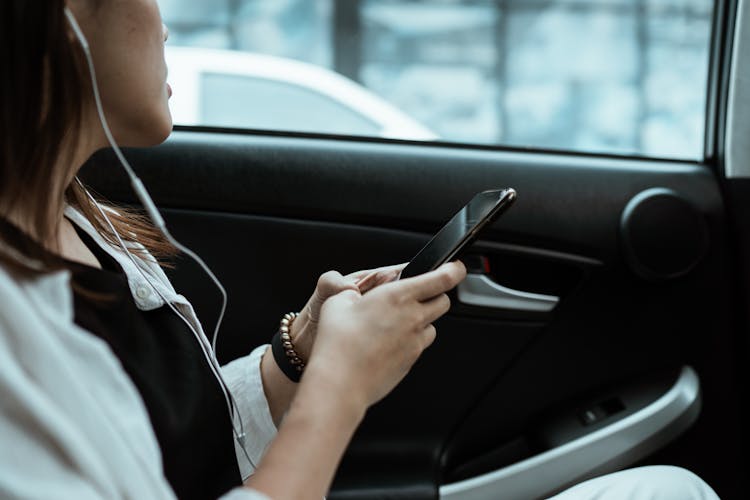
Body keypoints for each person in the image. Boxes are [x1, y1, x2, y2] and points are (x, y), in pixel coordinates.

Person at [0, 1, 721, 499]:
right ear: (59, 22)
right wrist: (338, 389)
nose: (167, 23)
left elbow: (176, 443)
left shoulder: (79, 217)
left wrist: (298, 355)